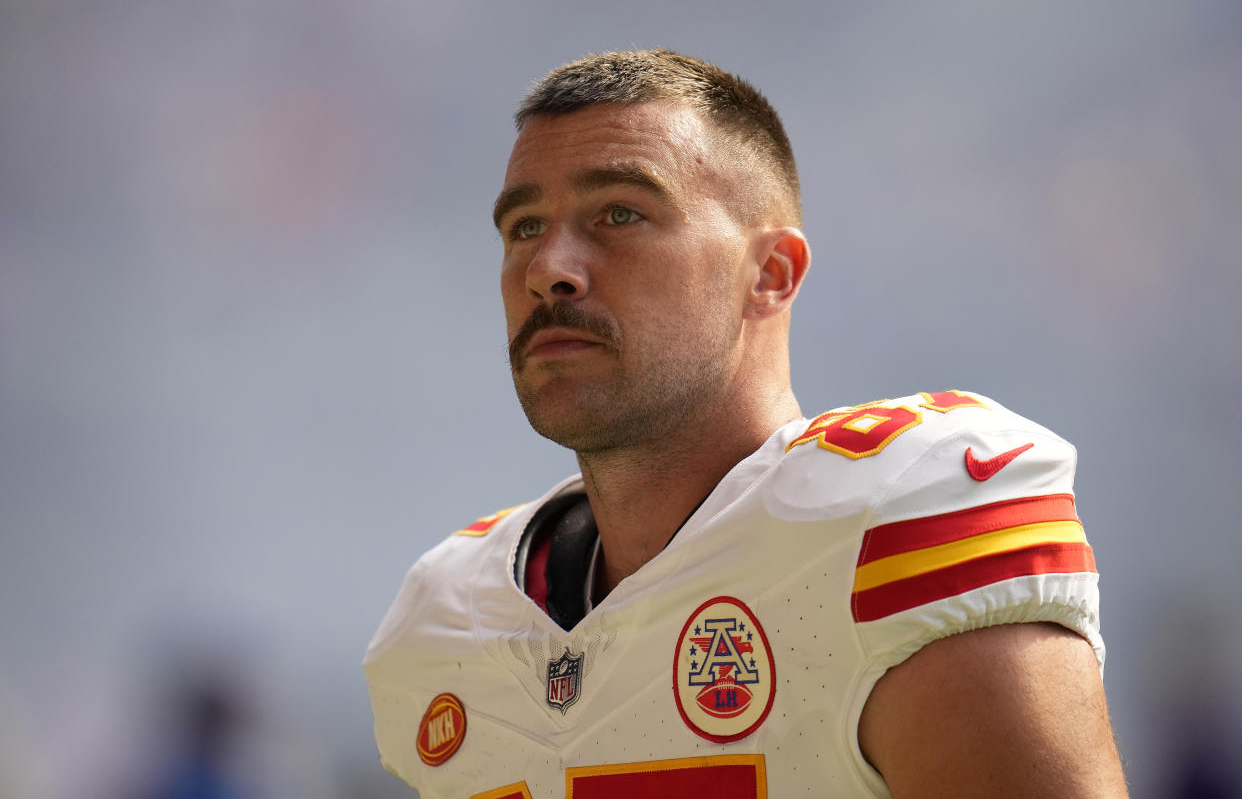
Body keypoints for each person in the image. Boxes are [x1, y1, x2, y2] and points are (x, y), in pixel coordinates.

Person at [364, 49, 1128, 798]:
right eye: (524, 227)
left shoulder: (895, 518)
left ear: (770, 275)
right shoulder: (449, 616)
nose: (548, 268)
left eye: (619, 213)